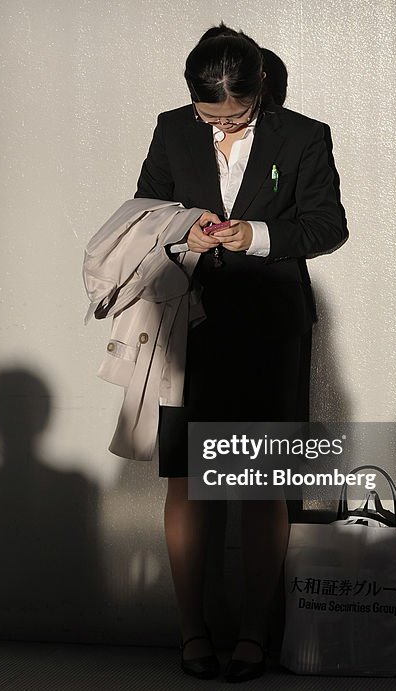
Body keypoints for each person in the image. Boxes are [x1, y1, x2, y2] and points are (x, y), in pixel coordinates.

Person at [134, 24, 347, 681]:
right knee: (189, 483)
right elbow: (146, 210)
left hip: (269, 329)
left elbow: (327, 224)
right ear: (192, 99)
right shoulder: (172, 130)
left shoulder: (303, 135)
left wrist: (251, 234)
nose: (221, 126)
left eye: (236, 115)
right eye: (210, 115)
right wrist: (185, 231)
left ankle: (256, 633)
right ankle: (193, 630)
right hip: (187, 327)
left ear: (262, 93)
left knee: (260, 486)